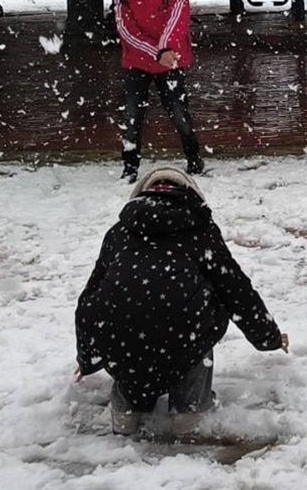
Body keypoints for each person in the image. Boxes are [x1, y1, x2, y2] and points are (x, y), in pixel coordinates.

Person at [75, 167, 288, 436]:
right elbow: (235, 289)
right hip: (182, 336)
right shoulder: (201, 231)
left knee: (126, 320)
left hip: (121, 339)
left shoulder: (120, 232)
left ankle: (127, 409)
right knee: (197, 314)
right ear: (190, 195)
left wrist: (87, 357)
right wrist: (268, 337)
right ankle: (190, 409)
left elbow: (90, 299)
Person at [115, 0, 204, 182]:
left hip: (171, 60)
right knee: (132, 115)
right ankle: (130, 165)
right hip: (139, 61)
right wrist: (156, 51)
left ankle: (194, 157)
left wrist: (166, 49)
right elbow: (126, 28)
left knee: (178, 111)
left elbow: (178, 16)